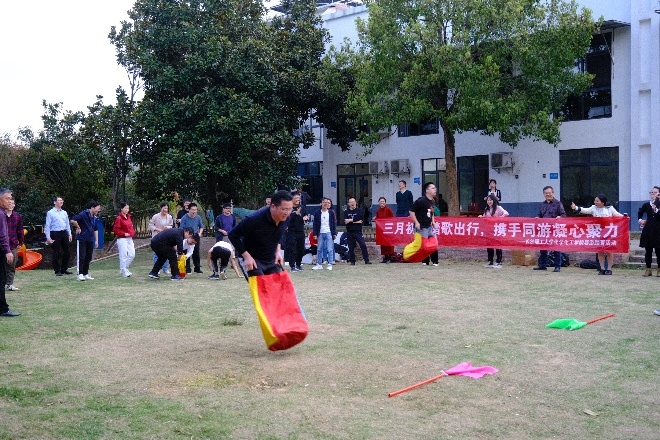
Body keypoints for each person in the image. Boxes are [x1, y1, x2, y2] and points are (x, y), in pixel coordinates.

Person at [229, 190, 293, 277]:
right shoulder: (254, 219)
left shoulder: (286, 218)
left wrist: (277, 252)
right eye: (284, 209)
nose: (287, 213)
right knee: (261, 286)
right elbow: (232, 235)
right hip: (252, 259)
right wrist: (247, 257)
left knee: (277, 285)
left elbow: (279, 234)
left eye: (290, 209)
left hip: (271, 259)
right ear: (273, 206)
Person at [571, 194, 623, 275]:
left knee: (609, 251)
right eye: (595, 201)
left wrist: (625, 217)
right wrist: (576, 208)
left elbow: (619, 216)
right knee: (600, 251)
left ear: (603, 202)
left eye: (597, 201)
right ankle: (602, 269)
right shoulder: (593, 208)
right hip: (598, 233)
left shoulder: (610, 209)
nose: (595, 202)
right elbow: (585, 210)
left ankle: (609, 269)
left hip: (608, 233)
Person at [533, 186, 566, 272]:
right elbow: (540, 215)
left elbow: (563, 215)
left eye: (549, 193)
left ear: (553, 193)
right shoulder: (542, 204)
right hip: (544, 229)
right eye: (546, 193)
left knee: (556, 248)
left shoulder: (558, 203)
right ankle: (543, 265)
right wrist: (538, 218)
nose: (548, 194)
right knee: (543, 248)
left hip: (555, 229)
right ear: (544, 194)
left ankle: (557, 266)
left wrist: (560, 217)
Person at [0, 188, 20, 317]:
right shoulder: (1, 214)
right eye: (7, 198)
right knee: (2, 280)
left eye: (10, 198)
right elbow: (2, 235)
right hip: (1, 251)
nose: (9, 201)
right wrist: (8, 251)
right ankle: (3, 309)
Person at [70, 201, 101, 281]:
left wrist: (96, 240)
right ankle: (80, 274)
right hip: (82, 238)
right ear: (92, 207)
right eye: (97, 208)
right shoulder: (83, 214)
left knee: (88, 257)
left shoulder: (94, 217)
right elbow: (73, 220)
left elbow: (95, 229)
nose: (98, 210)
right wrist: (78, 227)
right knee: (82, 256)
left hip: (90, 239)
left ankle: (85, 273)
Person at [45, 196, 73, 276]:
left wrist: (69, 234)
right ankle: (57, 270)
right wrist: (48, 237)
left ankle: (64, 268)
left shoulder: (64, 212)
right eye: (59, 200)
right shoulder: (50, 212)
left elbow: (67, 224)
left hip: (64, 232)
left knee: (67, 251)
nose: (61, 202)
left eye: (62, 200)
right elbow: (48, 225)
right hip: (55, 233)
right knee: (56, 251)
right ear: (55, 202)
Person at [480, 194, 509, 268]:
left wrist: (499, 218)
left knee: (497, 245)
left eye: (490, 200)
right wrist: (481, 217)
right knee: (489, 245)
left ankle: (499, 262)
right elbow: (484, 217)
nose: (489, 202)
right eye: (488, 200)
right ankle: (490, 261)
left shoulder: (498, 208)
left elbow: (506, 213)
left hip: (497, 229)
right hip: (489, 230)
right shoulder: (486, 209)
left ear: (494, 201)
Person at [637, 186, 660, 277]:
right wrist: (640, 220)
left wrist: (656, 209)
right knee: (648, 250)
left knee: (658, 250)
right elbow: (640, 213)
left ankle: (659, 269)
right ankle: (648, 269)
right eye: (652, 192)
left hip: (658, 230)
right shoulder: (646, 204)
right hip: (648, 229)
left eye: (655, 192)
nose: (653, 194)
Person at [344, 197, 371, 265]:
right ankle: (352, 261)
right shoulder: (346, 212)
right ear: (348, 204)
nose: (352, 203)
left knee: (363, 245)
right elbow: (346, 221)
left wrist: (350, 220)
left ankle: (366, 260)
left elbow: (360, 219)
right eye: (351, 202)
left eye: (353, 201)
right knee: (351, 247)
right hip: (349, 231)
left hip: (358, 231)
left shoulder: (359, 210)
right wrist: (356, 221)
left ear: (356, 203)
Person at [311, 197, 337, 271]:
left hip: (329, 232)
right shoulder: (317, 212)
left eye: (327, 202)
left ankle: (330, 264)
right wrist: (315, 234)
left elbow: (333, 223)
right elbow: (315, 224)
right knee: (319, 249)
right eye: (324, 202)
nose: (326, 204)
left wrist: (334, 233)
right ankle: (319, 264)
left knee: (330, 249)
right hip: (320, 233)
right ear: (321, 203)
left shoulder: (331, 212)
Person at [148, 202, 174, 274]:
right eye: (164, 208)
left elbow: (171, 225)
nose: (165, 210)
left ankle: (165, 268)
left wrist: (167, 227)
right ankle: (157, 269)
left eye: (167, 208)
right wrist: (158, 229)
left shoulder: (169, 217)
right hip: (157, 237)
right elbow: (151, 225)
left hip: (166, 237)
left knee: (166, 252)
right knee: (157, 253)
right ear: (161, 208)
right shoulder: (156, 216)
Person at [180, 202, 205, 274]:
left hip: (196, 237)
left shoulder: (198, 217)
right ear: (189, 210)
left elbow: (201, 227)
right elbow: (181, 229)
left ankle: (197, 269)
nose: (194, 211)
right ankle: (187, 269)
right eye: (193, 210)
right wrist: (186, 236)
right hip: (187, 237)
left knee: (196, 253)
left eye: (195, 210)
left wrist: (200, 233)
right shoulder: (184, 218)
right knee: (186, 252)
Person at [285, 194, 308, 272]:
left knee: (301, 249)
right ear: (292, 199)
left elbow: (305, 216)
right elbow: (287, 219)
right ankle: (292, 266)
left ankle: (298, 264)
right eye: (296, 198)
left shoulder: (302, 207)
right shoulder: (289, 208)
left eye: (299, 198)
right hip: (291, 232)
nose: (298, 199)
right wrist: (295, 214)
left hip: (300, 231)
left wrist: (305, 218)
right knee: (292, 249)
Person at [5, 198, 24, 290]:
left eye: (12, 203)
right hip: (2, 244)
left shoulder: (17, 216)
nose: (10, 205)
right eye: (9, 203)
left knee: (11, 265)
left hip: (12, 243)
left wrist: (21, 241)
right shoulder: (2, 215)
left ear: (14, 205)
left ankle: (9, 284)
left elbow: (20, 230)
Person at [112, 203, 136, 277]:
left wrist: (132, 233)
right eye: (125, 208)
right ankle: (124, 271)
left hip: (129, 238)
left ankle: (124, 268)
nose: (127, 210)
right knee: (123, 255)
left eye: (128, 208)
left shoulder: (128, 217)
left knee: (132, 254)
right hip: (122, 239)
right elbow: (115, 229)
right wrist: (123, 233)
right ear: (121, 209)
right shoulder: (119, 218)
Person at [372, 196, 395, 263]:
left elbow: (392, 218)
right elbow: (378, 219)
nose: (382, 203)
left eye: (383, 201)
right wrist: (375, 219)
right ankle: (385, 258)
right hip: (382, 230)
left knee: (389, 243)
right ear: (379, 203)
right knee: (383, 244)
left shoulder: (388, 209)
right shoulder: (378, 211)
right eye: (381, 201)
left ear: (385, 202)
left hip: (388, 229)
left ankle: (390, 258)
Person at [422, 196, 441, 266]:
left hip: (432, 228)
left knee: (433, 244)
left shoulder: (436, 209)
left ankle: (435, 261)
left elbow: (437, 218)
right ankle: (425, 260)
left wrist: (433, 222)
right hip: (424, 228)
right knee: (424, 244)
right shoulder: (423, 208)